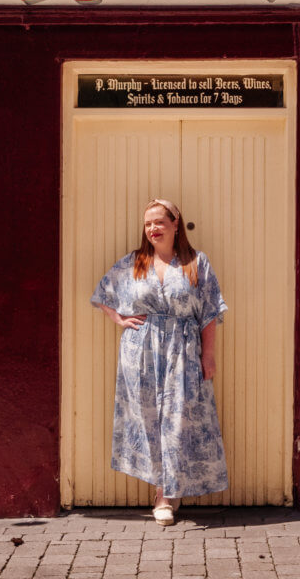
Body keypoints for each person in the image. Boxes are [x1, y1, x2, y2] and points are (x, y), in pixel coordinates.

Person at [91, 198, 228, 526]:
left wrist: (208, 355)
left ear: (175, 223)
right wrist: (119, 319)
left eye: (159, 222)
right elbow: (102, 294)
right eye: (147, 223)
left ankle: (170, 488)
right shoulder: (133, 262)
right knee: (150, 421)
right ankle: (163, 495)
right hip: (141, 354)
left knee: (178, 419)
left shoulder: (196, 263)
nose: (152, 228)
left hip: (183, 350)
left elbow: (209, 312)